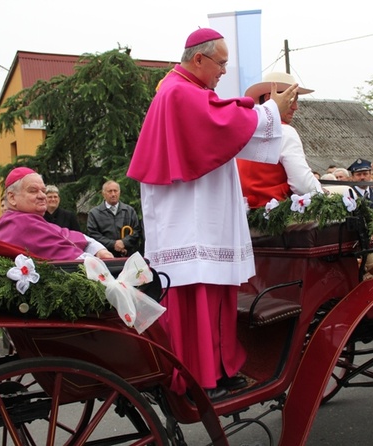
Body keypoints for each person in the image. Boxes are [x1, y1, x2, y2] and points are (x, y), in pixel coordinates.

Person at [127, 27, 298, 399]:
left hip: (200, 218)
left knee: (214, 295)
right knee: (198, 298)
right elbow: (225, 123)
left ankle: (220, 369)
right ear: (199, 59)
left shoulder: (189, 92)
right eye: (220, 63)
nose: (223, 70)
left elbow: (229, 123)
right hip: (190, 223)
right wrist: (272, 111)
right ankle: (200, 378)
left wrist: (267, 114)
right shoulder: (178, 91)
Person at [237, 72, 322, 209]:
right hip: (277, 218)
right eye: (291, 99)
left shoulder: (243, 130)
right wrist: (320, 192)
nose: (296, 107)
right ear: (270, 97)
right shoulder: (285, 131)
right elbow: (303, 185)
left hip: (244, 216)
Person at [0, 167, 113, 261]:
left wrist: (98, 250)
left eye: (43, 191)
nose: (42, 196)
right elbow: (77, 260)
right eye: (33, 191)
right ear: (12, 198)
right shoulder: (20, 224)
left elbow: (67, 234)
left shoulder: (30, 219)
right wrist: (102, 262)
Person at [86, 180, 142, 257]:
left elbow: (137, 230)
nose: (113, 194)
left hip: (128, 255)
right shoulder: (94, 213)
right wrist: (113, 244)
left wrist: (124, 243)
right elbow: (93, 235)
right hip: (105, 256)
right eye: (110, 191)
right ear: (103, 194)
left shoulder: (129, 211)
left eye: (115, 191)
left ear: (119, 192)